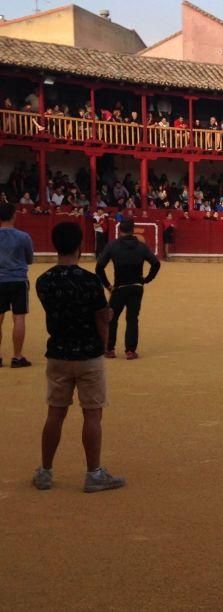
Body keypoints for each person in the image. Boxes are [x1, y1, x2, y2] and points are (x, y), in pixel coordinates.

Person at [33, 222, 125, 492]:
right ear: (81, 247)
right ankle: (93, 474)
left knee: (55, 413)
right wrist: (104, 344)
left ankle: (46, 472)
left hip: (58, 353)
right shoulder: (90, 281)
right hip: (88, 356)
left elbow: (58, 310)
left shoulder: (44, 281)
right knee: (92, 416)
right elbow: (101, 319)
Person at [95, 219, 161, 360]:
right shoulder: (141, 246)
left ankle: (110, 349)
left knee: (112, 318)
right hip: (136, 287)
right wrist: (146, 279)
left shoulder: (113, 246)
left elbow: (99, 267)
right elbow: (156, 264)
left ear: (120, 230)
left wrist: (108, 285)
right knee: (132, 318)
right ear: (133, 230)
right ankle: (130, 351)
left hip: (119, 288)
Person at [0, 202, 34, 368]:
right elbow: (29, 259)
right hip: (18, 279)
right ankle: (17, 356)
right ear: (14, 215)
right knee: (19, 317)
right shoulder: (23, 237)